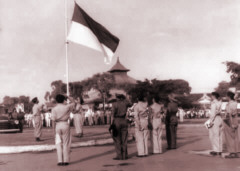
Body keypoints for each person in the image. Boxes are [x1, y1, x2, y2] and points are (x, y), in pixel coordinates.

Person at [51, 94, 75, 166]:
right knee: (66, 143)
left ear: (56, 100)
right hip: (65, 124)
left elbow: (53, 120)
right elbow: (74, 102)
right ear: (63, 100)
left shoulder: (54, 109)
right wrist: (67, 97)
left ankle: (60, 161)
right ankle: (66, 160)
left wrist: (53, 130)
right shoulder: (67, 107)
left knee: (58, 143)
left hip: (57, 125)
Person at [110, 93, 130, 160]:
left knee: (117, 139)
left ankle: (119, 155)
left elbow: (112, 115)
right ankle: (125, 155)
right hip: (124, 120)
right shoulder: (125, 103)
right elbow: (130, 103)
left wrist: (111, 125)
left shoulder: (114, 104)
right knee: (124, 139)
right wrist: (125, 98)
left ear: (116, 97)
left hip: (117, 121)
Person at [223, 91, 238, 158]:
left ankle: (232, 152)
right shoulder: (235, 103)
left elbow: (229, 114)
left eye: (227, 96)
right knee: (235, 137)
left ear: (228, 96)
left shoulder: (230, 104)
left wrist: (230, 123)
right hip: (234, 121)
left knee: (229, 137)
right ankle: (235, 152)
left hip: (229, 121)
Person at [208, 92, 222, 156]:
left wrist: (211, 121)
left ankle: (216, 150)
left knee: (214, 135)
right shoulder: (219, 103)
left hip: (215, 120)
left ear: (213, 96)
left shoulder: (213, 103)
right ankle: (220, 150)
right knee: (220, 135)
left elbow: (213, 113)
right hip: (219, 119)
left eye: (211, 96)